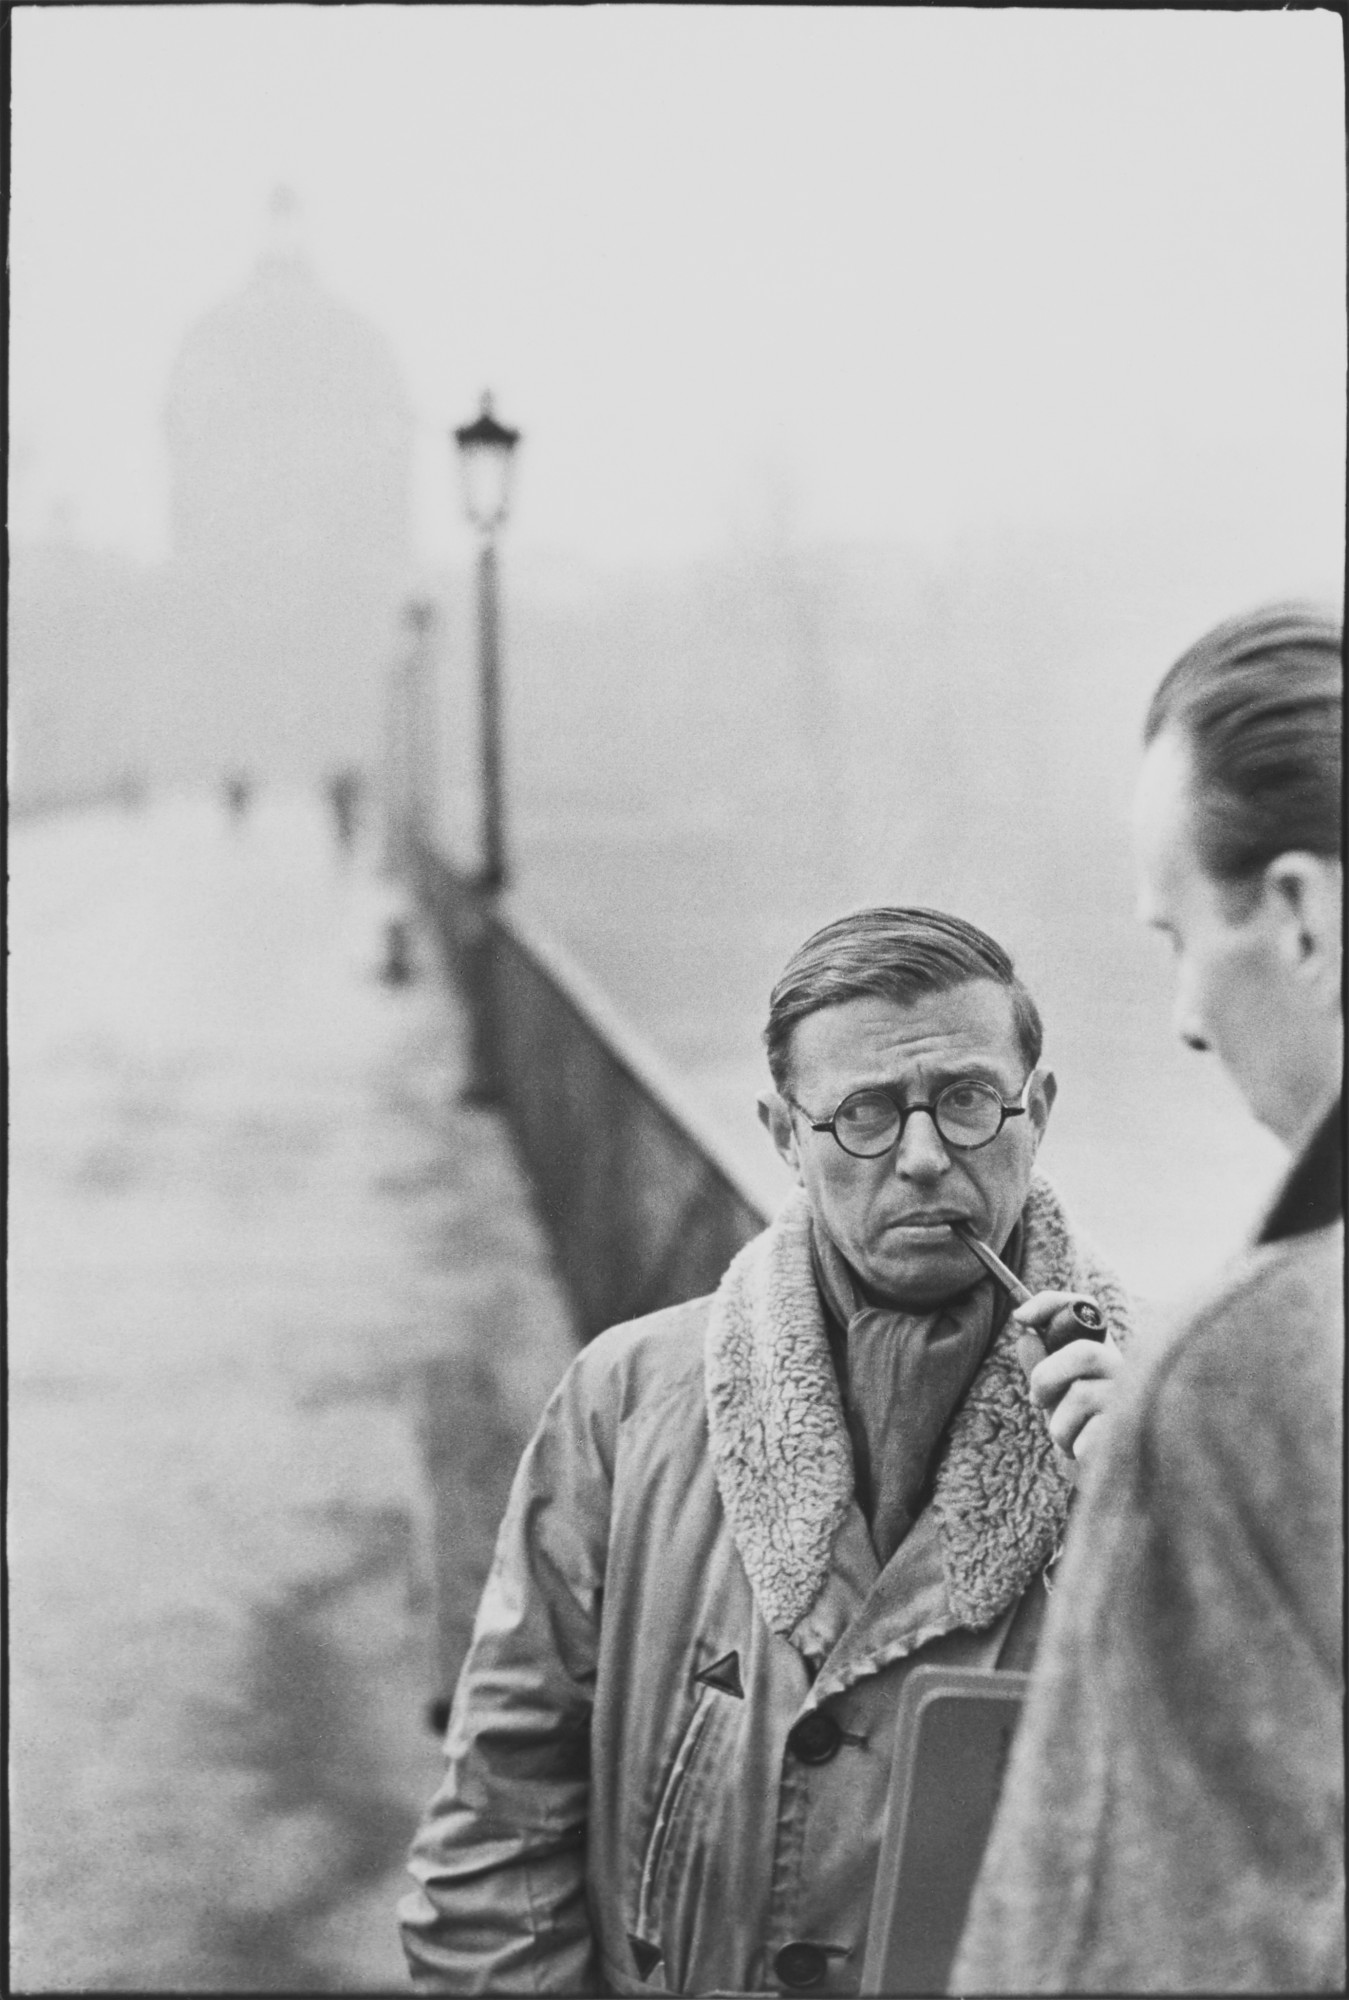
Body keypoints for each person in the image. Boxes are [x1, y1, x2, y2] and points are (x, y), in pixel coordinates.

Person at [399, 906, 1135, 1995]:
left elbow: (1261, 1844)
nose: (925, 1156)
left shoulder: (1170, 1422)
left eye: (969, 1099)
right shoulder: (626, 1399)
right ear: (784, 1135)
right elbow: (500, 1822)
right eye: (864, 1115)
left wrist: (1161, 1522)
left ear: (1040, 1109)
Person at [953, 602, 1344, 1994]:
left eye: (1178, 933)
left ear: (1297, 912)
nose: (1181, 1014)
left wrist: (1190, 1465)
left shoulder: (1249, 1364)